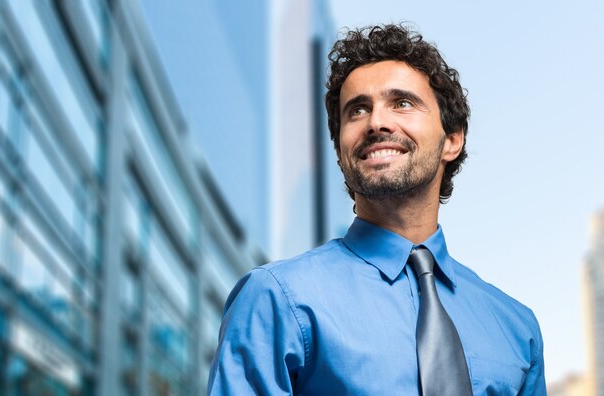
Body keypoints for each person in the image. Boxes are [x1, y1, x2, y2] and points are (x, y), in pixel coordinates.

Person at [208, 24, 546, 395]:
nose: (376, 122)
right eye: (357, 110)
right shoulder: (275, 300)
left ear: (452, 139)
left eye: (402, 103)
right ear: (340, 152)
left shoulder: (517, 328)